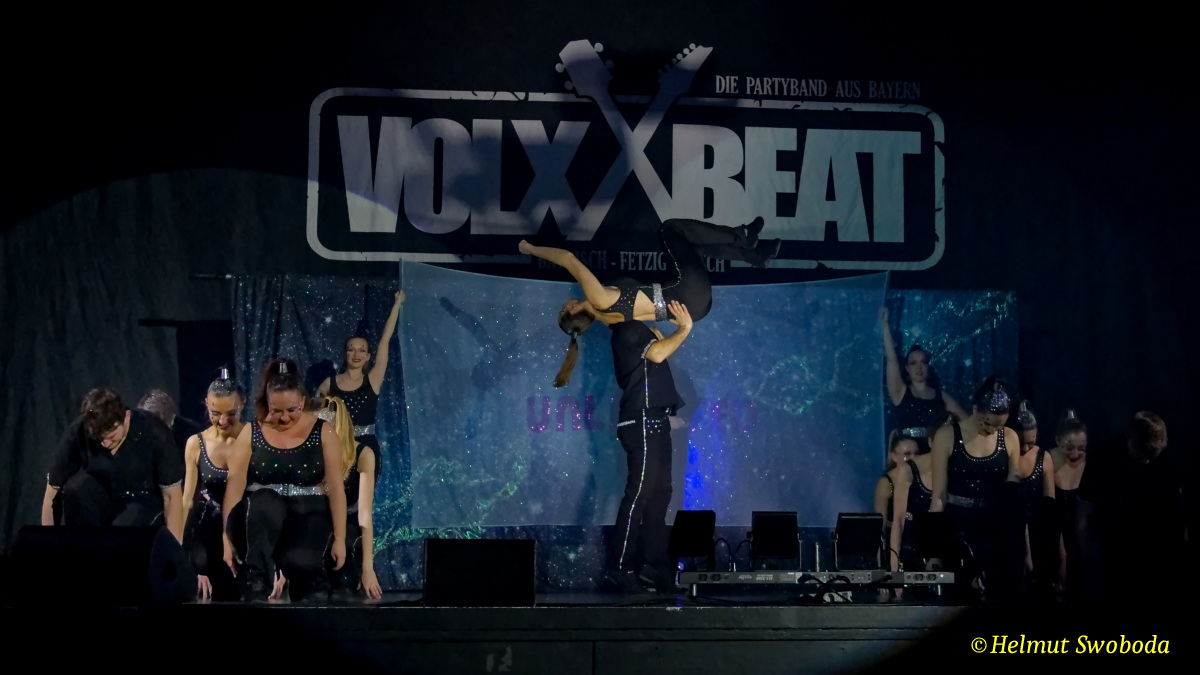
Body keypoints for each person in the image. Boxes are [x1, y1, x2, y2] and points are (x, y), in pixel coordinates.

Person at [519, 217, 778, 387]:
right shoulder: (598, 299)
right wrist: (530, 249)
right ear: (572, 309)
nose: (564, 303)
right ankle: (742, 236)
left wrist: (671, 325)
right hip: (687, 291)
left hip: (695, 308)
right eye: (563, 308)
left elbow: (647, 321)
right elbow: (567, 259)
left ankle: (757, 255)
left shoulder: (609, 320)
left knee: (693, 246)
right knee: (670, 230)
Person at [222, 359, 348, 601]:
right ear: (267, 404)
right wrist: (226, 539)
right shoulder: (252, 431)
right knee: (264, 500)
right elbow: (234, 487)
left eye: (291, 410)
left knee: (301, 564)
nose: (284, 418)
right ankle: (257, 577)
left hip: (308, 516)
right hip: (262, 523)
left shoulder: (324, 431)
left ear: (302, 401)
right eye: (276, 410)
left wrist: (340, 539)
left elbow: (336, 488)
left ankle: (307, 577)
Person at [602, 300, 693, 592]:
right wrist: (684, 328)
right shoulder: (628, 328)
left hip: (655, 421)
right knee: (639, 494)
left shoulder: (636, 330)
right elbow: (657, 354)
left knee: (659, 496)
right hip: (641, 421)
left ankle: (654, 567)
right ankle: (620, 568)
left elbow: (654, 360)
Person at [42, 387, 184, 542]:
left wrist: (175, 548)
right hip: (103, 498)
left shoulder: (154, 432)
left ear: (126, 417)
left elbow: (172, 496)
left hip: (142, 499)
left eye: (111, 436)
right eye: (99, 438)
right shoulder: (79, 430)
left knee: (124, 525)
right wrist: (48, 542)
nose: (105, 443)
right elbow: (51, 495)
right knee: (75, 490)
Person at [929, 376, 1021, 598]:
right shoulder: (947, 436)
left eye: (998, 425)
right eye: (986, 423)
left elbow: (1013, 490)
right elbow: (938, 496)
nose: (992, 430)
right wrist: (934, 550)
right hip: (958, 526)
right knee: (960, 594)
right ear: (974, 409)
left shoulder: (1009, 437)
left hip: (995, 525)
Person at [181, 369, 244, 600]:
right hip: (212, 525)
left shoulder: (255, 438)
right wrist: (178, 546)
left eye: (231, 414)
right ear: (206, 404)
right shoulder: (196, 443)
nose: (223, 421)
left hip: (246, 523)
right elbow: (187, 501)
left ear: (242, 404)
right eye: (215, 413)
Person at [879, 307, 967, 453]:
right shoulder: (900, 392)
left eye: (923, 362)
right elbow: (891, 360)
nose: (919, 367)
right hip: (907, 457)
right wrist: (885, 325)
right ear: (907, 368)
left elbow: (967, 422)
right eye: (913, 363)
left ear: (928, 366)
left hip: (934, 456)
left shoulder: (940, 396)